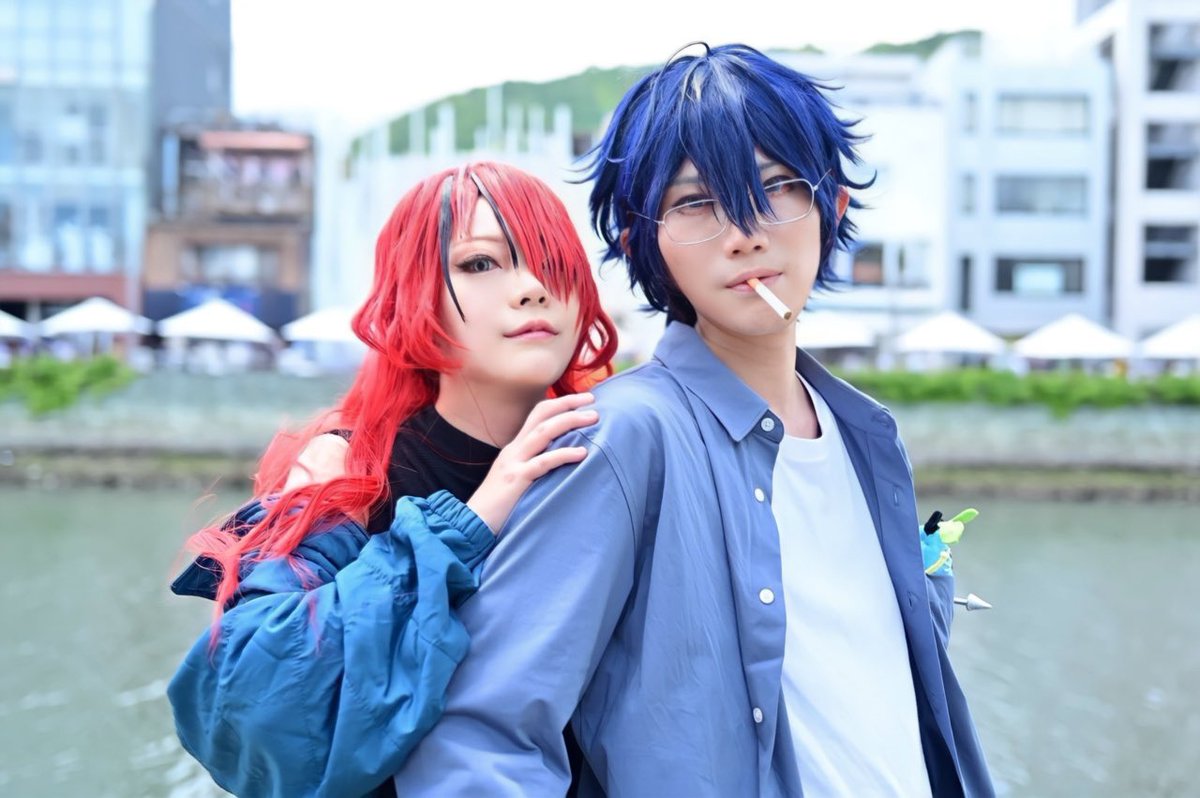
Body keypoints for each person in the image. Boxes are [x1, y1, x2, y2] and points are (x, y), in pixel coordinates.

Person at [391, 44, 994, 796]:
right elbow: (480, 736)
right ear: (641, 241)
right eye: (696, 203)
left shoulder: (867, 435)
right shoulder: (622, 439)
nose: (744, 232)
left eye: (777, 187)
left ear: (832, 207)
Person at [167, 161, 617, 798]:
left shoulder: (607, 460)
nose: (532, 288)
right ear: (416, 295)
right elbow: (247, 710)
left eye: (551, 260)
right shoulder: (348, 475)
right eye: (480, 263)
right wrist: (465, 526)